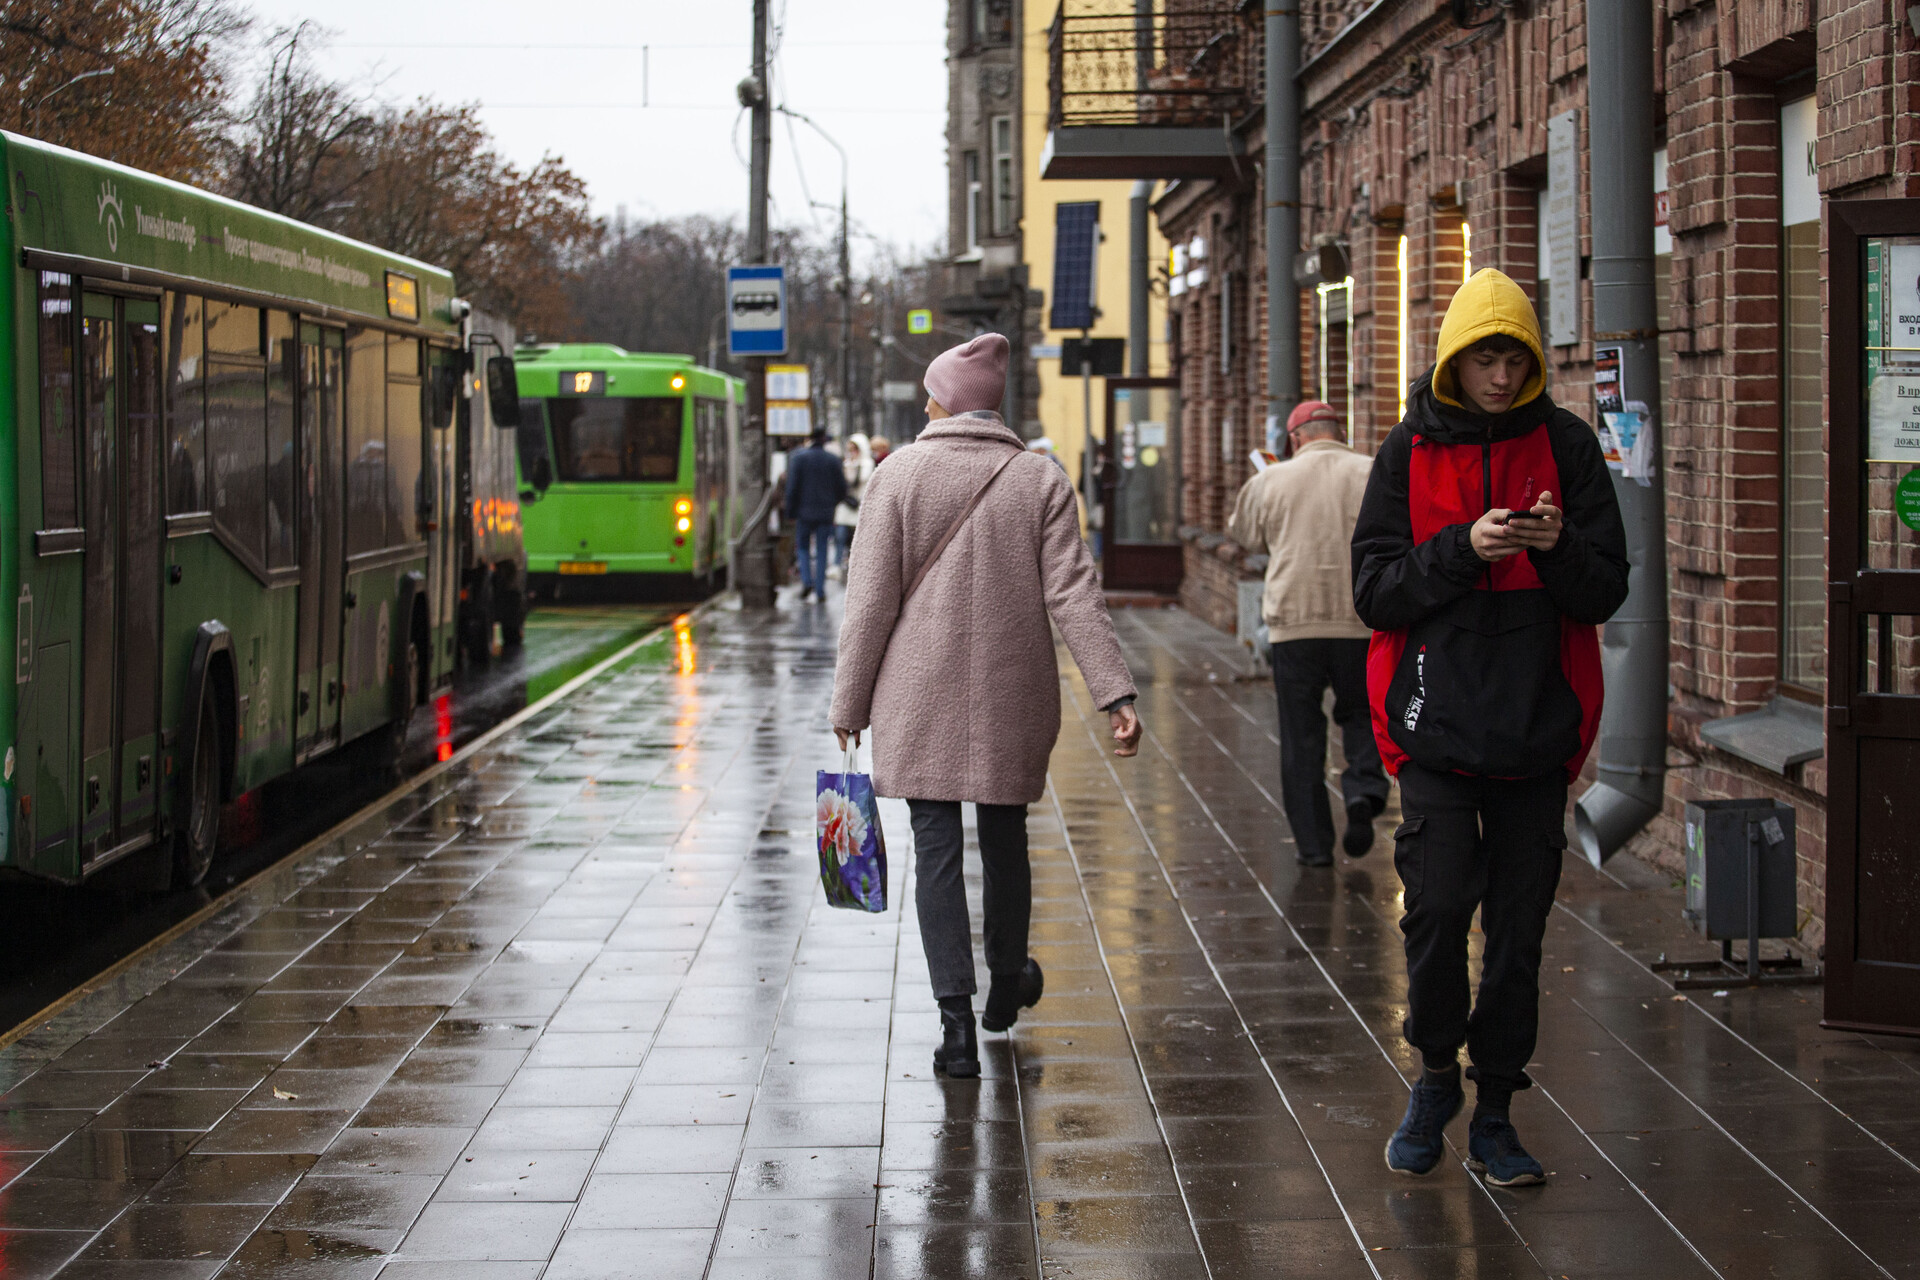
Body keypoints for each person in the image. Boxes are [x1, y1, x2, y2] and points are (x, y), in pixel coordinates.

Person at [1352, 268, 1627, 1188]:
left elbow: (1607, 588)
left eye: (1514, 361)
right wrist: (1460, 551)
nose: (1501, 380)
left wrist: (1556, 550)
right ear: (1453, 364)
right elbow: (1374, 591)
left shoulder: (1568, 447)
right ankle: (1435, 1076)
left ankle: (1498, 1107)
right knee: (1434, 916)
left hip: (1535, 736)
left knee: (1517, 936)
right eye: (1484, 362)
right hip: (1435, 731)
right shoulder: (1407, 452)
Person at [830, 332, 1142, 1080]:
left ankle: (955, 1026)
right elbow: (1073, 594)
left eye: (932, 390)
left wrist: (850, 700)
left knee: (935, 852)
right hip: (1013, 690)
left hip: (918, 694)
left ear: (943, 401)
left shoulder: (897, 474)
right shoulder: (1039, 479)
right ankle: (1007, 983)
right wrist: (1115, 692)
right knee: (1005, 841)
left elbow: (869, 602)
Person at [1228, 400, 1387, 867]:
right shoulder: (1372, 471)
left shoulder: (1271, 479)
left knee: (1301, 737)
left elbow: (1245, 537)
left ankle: (1314, 847)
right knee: (1362, 716)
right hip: (1360, 621)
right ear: (1338, 431)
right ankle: (1363, 790)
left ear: (1295, 438)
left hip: (1293, 626)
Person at [783, 426, 849, 602]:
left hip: (803, 513)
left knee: (803, 548)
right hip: (826, 513)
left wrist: (790, 512)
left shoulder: (798, 459)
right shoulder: (833, 460)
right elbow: (842, 488)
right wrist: (832, 504)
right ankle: (820, 590)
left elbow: (792, 488)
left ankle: (806, 580)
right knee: (822, 550)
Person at [830, 434, 872, 581]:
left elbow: (860, 479)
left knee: (856, 539)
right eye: (850, 449)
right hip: (845, 505)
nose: (852, 452)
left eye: (855, 449)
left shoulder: (866, 463)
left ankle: (856, 564)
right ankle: (836, 564)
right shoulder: (846, 463)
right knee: (840, 536)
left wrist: (854, 467)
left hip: (859, 505)